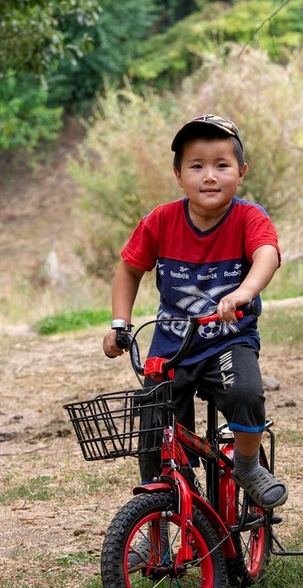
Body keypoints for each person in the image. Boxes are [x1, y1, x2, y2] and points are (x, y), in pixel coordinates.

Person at [101, 113, 288, 509]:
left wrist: (244, 292)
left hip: (228, 340)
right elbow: (129, 269)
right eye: (197, 166)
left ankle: (248, 464)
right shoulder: (161, 221)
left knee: (246, 392)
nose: (210, 176)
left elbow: (266, 255)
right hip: (172, 346)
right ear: (178, 175)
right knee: (153, 426)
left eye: (222, 165)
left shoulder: (248, 218)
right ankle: (160, 513)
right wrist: (120, 324)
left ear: (240, 173)